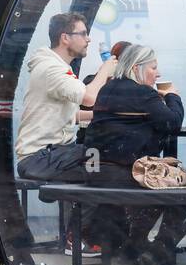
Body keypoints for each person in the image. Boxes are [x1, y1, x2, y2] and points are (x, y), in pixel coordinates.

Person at [82, 44, 186, 265]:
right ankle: (159, 248)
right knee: (182, 190)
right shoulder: (143, 93)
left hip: (97, 172)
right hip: (124, 174)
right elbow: (172, 123)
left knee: (156, 189)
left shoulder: (107, 89)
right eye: (153, 68)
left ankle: (134, 245)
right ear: (138, 68)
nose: (157, 74)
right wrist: (173, 97)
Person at [14, 12, 116, 182]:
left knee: (101, 162)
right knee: (103, 159)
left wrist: (104, 115)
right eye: (83, 34)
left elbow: (69, 115)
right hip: (40, 159)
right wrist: (105, 69)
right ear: (65, 38)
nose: (88, 39)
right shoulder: (51, 69)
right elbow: (89, 98)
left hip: (51, 155)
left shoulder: (56, 67)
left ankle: (77, 205)